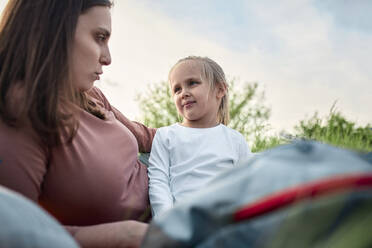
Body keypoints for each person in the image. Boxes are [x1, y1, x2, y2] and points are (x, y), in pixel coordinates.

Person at [0, 0, 156, 247]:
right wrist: (125, 236)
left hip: (165, 182)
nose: (108, 58)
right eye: (99, 37)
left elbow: (145, 136)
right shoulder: (19, 112)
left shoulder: (89, 94)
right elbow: (17, 234)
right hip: (155, 227)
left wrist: (204, 134)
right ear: (52, 29)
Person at [148, 56, 252, 218]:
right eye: (177, 89)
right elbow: (159, 182)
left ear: (220, 90)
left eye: (192, 83)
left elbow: (247, 185)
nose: (183, 93)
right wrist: (167, 222)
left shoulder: (235, 140)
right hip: (182, 222)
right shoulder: (166, 136)